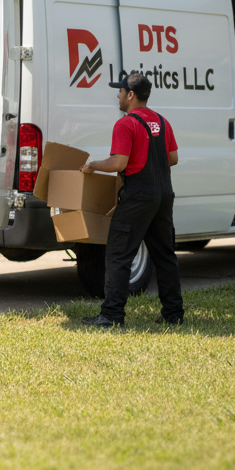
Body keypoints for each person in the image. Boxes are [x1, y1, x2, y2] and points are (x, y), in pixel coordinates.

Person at [81, 71, 185, 327]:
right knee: (165, 256)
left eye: (119, 91)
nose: (117, 95)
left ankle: (111, 315)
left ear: (131, 95)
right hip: (163, 195)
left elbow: (119, 162)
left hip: (138, 195)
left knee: (118, 255)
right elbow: (172, 159)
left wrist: (93, 165)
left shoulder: (126, 124)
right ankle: (173, 314)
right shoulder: (162, 121)